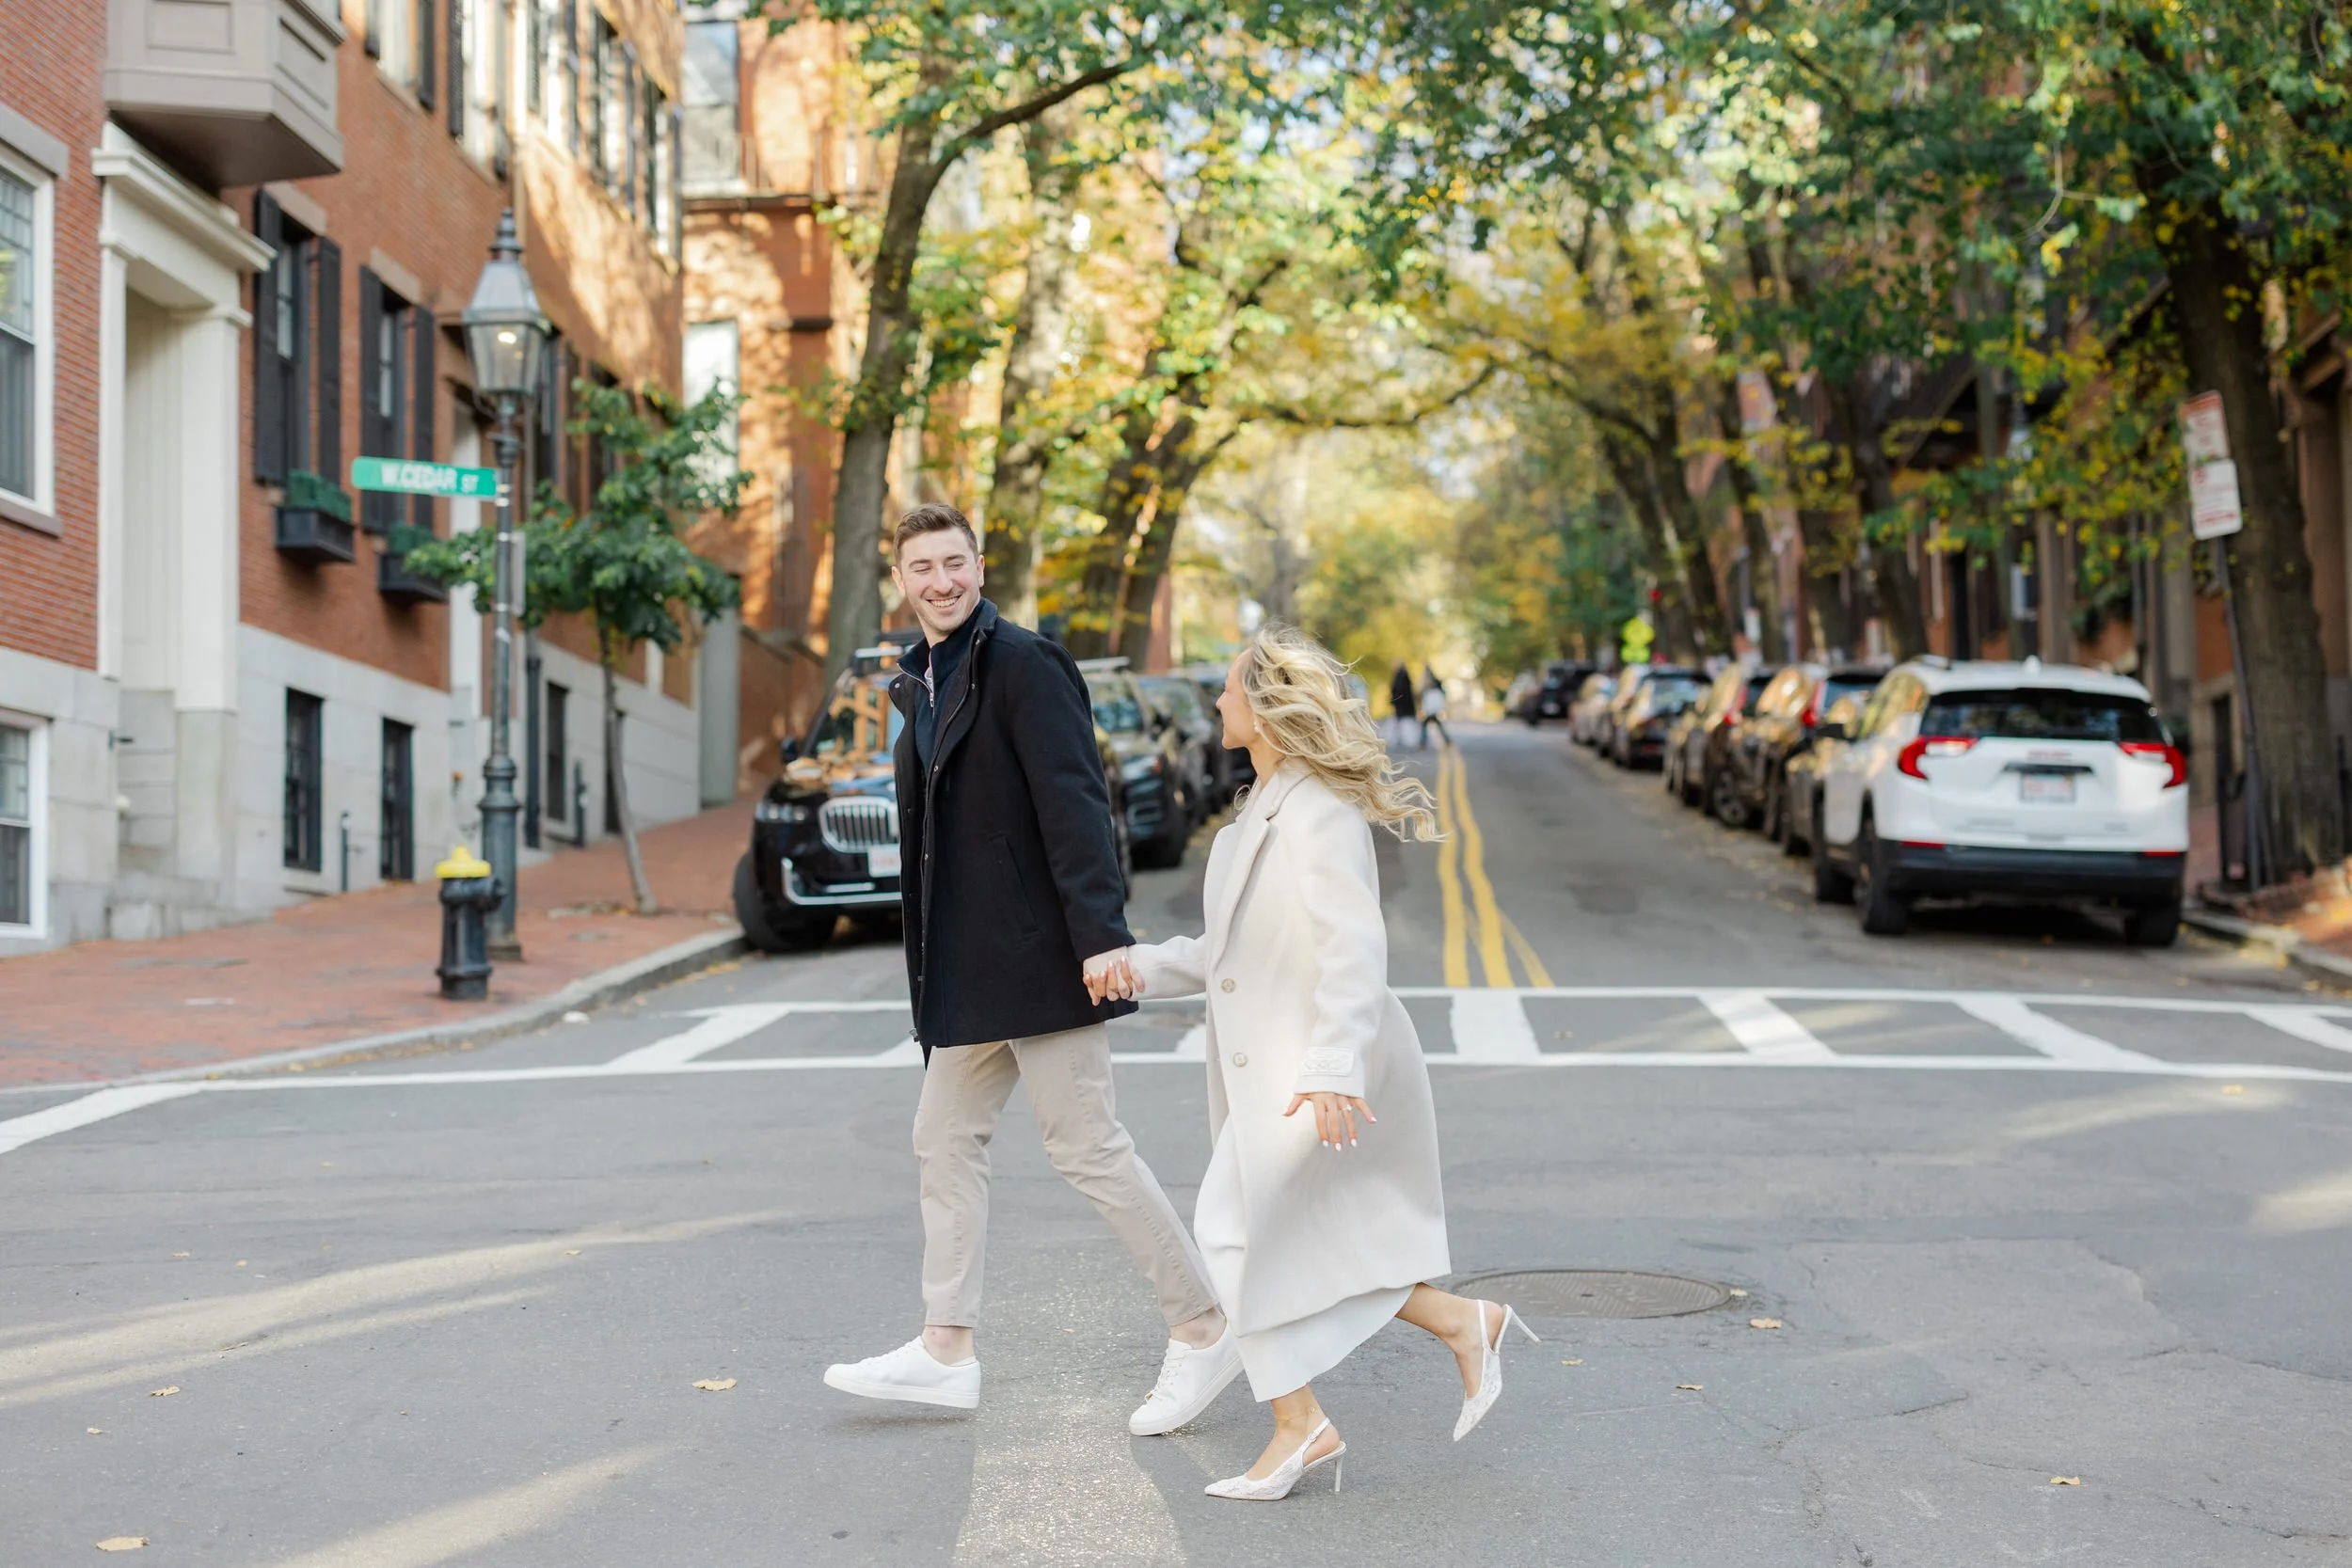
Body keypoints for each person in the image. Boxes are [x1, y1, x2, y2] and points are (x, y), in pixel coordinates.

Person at [1089, 626, 1536, 1501]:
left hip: (1311, 1071)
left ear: (1265, 705)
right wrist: (1132, 965)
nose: (1215, 703)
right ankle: (1456, 1323)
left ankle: (1304, 1425)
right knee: (1299, 1239)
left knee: (1233, 1230)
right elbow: (1224, 951)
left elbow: (1353, 946)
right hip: (1282, 1074)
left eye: (1226, 690)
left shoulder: (1318, 812)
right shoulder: (1262, 809)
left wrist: (1334, 1066)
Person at [822, 503, 1239, 1437]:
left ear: (980, 566)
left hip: (1041, 955)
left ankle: (1203, 1324)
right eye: (922, 567)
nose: (940, 581)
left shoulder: (1024, 663)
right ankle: (944, 1349)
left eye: (954, 563)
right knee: (942, 1139)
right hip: (971, 968)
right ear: (902, 579)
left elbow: (1075, 802)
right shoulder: (921, 678)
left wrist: (1100, 937)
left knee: (1088, 1147)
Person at [1417, 666, 1452, 749]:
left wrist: (1424, 711)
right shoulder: (1435, 690)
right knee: (1437, 726)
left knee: (1428, 726)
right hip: (1434, 710)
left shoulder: (1429, 691)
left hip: (1430, 711)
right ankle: (1447, 741)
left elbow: (1427, 703)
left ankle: (1423, 743)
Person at [1388, 661, 1418, 748]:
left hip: (1401, 704)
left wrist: (1394, 700)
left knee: (1403, 722)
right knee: (1404, 722)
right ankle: (1405, 740)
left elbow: (1398, 691)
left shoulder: (1399, 676)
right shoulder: (1405, 676)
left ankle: (1402, 740)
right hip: (1405, 704)